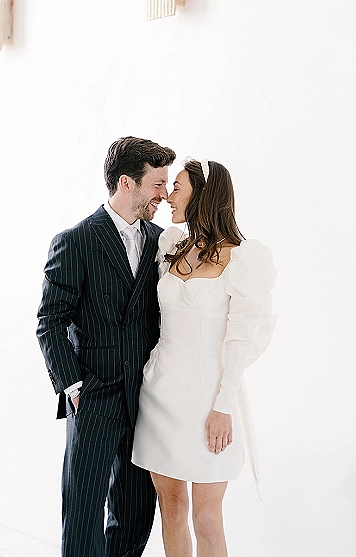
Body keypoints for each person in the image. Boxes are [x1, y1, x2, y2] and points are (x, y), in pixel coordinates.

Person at [37, 136, 176, 557]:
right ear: (125, 183)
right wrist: (73, 386)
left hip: (146, 398)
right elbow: (50, 319)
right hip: (93, 396)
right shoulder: (75, 240)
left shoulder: (162, 242)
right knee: (83, 512)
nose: (164, 195)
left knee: (135, 512)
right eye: (157, 184)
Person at [131, 158, 276, 557]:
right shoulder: (170, 245)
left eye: (176, 187)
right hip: (160, 393)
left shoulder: (244, 258)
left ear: (202, 195)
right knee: (172, 507)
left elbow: (241, 341)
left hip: (208, 399)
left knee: (207, 518)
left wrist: (223, 406)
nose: (168, 195)